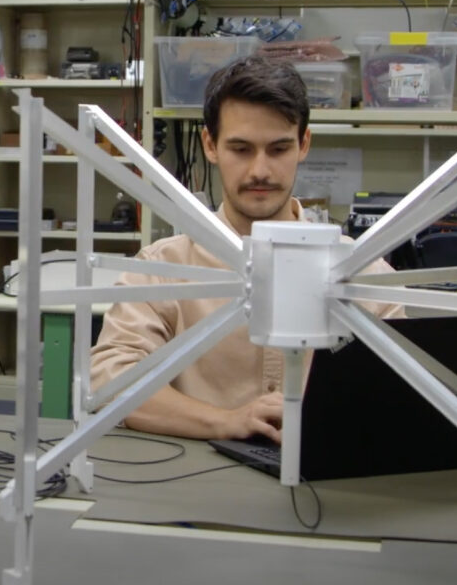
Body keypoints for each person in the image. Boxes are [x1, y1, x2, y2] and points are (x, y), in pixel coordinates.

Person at [89, 55, 404, 442]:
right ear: (210, 144)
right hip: (195, 486)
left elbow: (407, 391)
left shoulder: (362, 272)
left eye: (278, 149)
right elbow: (111, 379)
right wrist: (224, 421)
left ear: (304, 144)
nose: (260, 171)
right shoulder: (163, 267)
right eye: (240, 149)